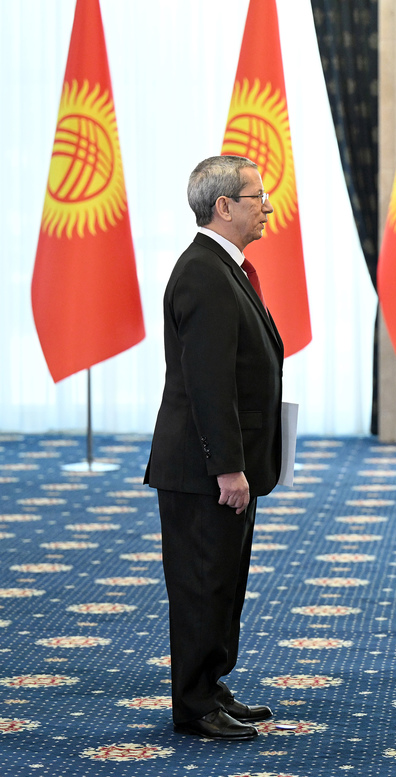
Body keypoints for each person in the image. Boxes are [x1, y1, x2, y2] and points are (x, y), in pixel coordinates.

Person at [145, 155, 284, 741]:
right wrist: (228, 468)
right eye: (258, 198)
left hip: (224, 462)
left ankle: (211, 684)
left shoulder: (225, 267)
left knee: (223, 582)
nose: (268, 208)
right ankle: (194, 703)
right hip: (203, 467)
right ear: (224, 206)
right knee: (203, 585)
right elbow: (208, 383)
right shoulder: (204, 272)